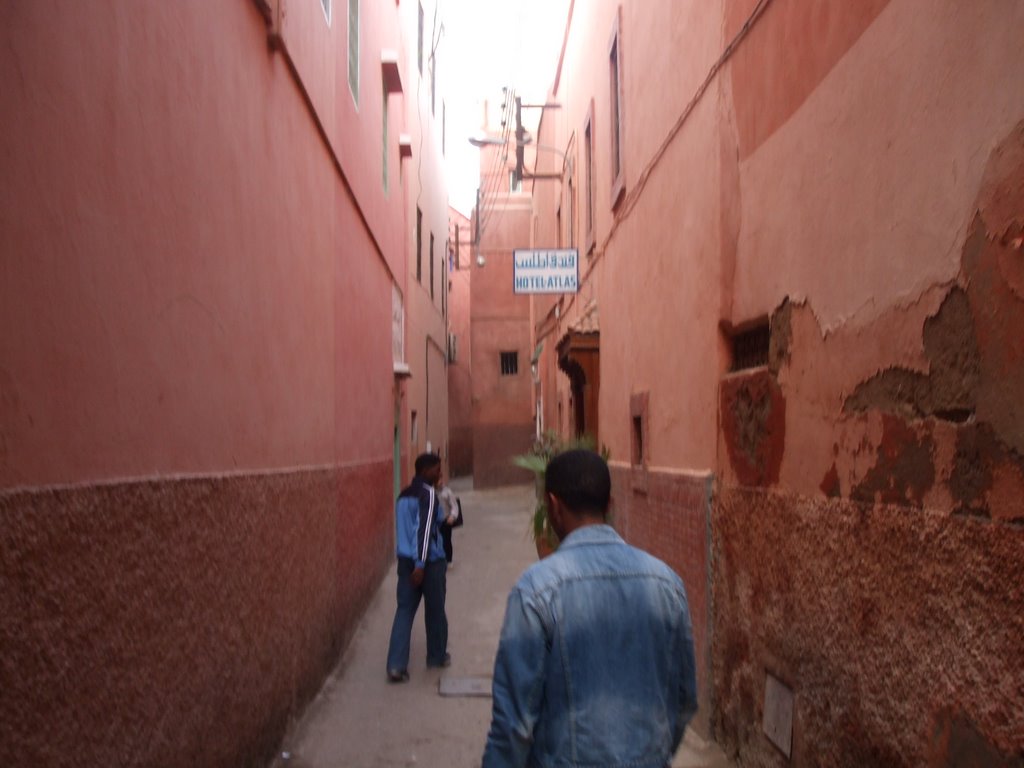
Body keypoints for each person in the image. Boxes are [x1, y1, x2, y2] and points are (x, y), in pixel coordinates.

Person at [481, 449, 698, 768]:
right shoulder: (667, 584)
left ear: (553, 506)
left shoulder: (536, 590)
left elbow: (513, 724)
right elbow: (683, 700)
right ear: (609, 505)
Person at [385, 452, 451, 683]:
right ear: (425, 471)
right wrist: (420, 564)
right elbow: (422, 531)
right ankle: (437, 656)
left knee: (404, 611)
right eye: (436, 468)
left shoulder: (402, 496)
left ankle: (395, 665)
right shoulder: (429, 494)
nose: (440, 472)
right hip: (428, 563)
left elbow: (410, 528)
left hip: (404, 560)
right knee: (435, 609)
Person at [437, 473, 461, 567]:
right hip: (435, 521)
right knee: (437, 541)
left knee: (446, 540)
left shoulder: (447, 492)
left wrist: (453, 516)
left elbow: (454, 506)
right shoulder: (431, 492)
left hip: (446, 520)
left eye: (439, 479)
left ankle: (448, 559)